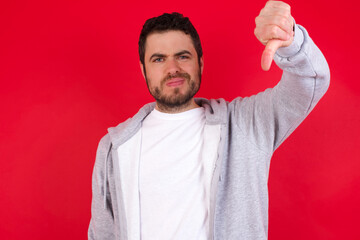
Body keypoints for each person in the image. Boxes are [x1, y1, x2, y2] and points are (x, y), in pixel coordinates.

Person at [88, 1, 330, 239]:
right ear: (144, 70)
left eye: (182, 56)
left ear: (200, 62)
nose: (172, 68)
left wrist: (291, 42)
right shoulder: (114, 147)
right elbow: (102, 234)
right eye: (159, 59)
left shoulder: (246, 124)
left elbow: (310, 81)